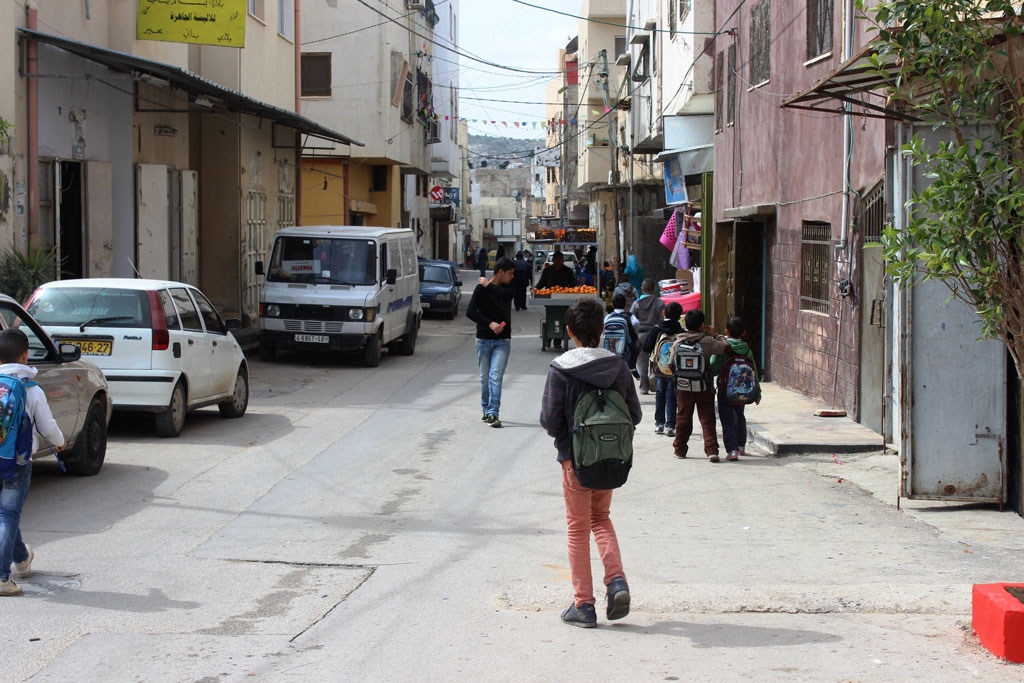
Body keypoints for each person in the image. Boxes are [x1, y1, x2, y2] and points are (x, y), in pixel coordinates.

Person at [540, 298, 642, 628]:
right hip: (610, 458)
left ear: (570, 332)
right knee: (601, 518)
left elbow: (550, 419)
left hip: (574, 461)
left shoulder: (561, 368)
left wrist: (568, 442)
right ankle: (617, 582)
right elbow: (635, 414)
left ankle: (583, 605)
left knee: (577, 529)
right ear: (602, 330)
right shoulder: (618, 366)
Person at [0, 328, 65, 596]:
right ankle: (2, 578)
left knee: (6, 517)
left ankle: (22, 559)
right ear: (25, 356)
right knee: (7, 515)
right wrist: (60, 443)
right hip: (17, 461)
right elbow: (47, 426)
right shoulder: (30, 388)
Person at [672, 309, 729, 462]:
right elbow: (726, 347)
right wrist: (716, 334)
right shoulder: (708, 341)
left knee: (683, 417)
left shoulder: (678, 342)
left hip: (683, 387)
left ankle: (680, 449)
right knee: (707, 418)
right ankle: (711, 450)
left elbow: (671, 365)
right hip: (704, 385)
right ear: (703, 325)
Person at [466, 258, 516, 428]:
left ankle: (493, 413)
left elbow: (507, 296)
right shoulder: (481, 289)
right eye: (510, 273)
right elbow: (470, 311)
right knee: (485, 378)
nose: (512, 277)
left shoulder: (507, 288)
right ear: (501, 272)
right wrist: (489, 323)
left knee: (496, 377)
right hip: (483, 339)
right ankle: (486, 409)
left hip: (502, 341)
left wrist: (489, 285)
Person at [710, 316, 762, 461]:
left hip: (725, 391)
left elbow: (714, 367)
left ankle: (732, 450)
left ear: (726, 331)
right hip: (743, 391)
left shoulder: (723, 347)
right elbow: (754, 372)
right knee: (740, 416)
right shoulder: (747, 350)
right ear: (744, 333)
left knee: (727, 420)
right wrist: (757, 393)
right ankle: (741, 446)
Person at [640, 302, 683, 437]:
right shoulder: (681, 331)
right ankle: (670, 426)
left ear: (664, 313)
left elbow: (646, 347)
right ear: (679, 316)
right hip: (674, 368)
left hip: (659, 367)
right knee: (672, 396)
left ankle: (659, 424)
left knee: (660, 395)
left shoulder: (657, 328)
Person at [630, 279, 664, 395]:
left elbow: (632, 320)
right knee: (655, 358)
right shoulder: (659, 303)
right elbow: (662, 321)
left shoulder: (636, 304)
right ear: (654, 289)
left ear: (642, 289)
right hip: (655, 334)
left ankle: (644, 387)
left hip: (641, 335)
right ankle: (653, 377)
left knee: (641, 361)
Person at [604, 293, 639, 374]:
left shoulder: (608, 317)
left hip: (611, 349)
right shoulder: (630, 316)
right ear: (625, 305)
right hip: (625, 349)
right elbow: (637, 324)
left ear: (612, 305)